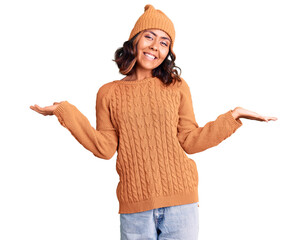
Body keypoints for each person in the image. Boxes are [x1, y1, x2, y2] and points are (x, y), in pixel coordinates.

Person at [30, 4, 277, 240]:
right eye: (149, 37)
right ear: (134, 40)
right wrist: (65, 111)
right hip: (134, 205)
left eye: (164, 42)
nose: (155, 47)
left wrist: (233, 116)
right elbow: (104, 148)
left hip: (181, 203)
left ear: (168, 51)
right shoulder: (108, 92)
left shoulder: (177, 86)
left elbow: (190, 141)